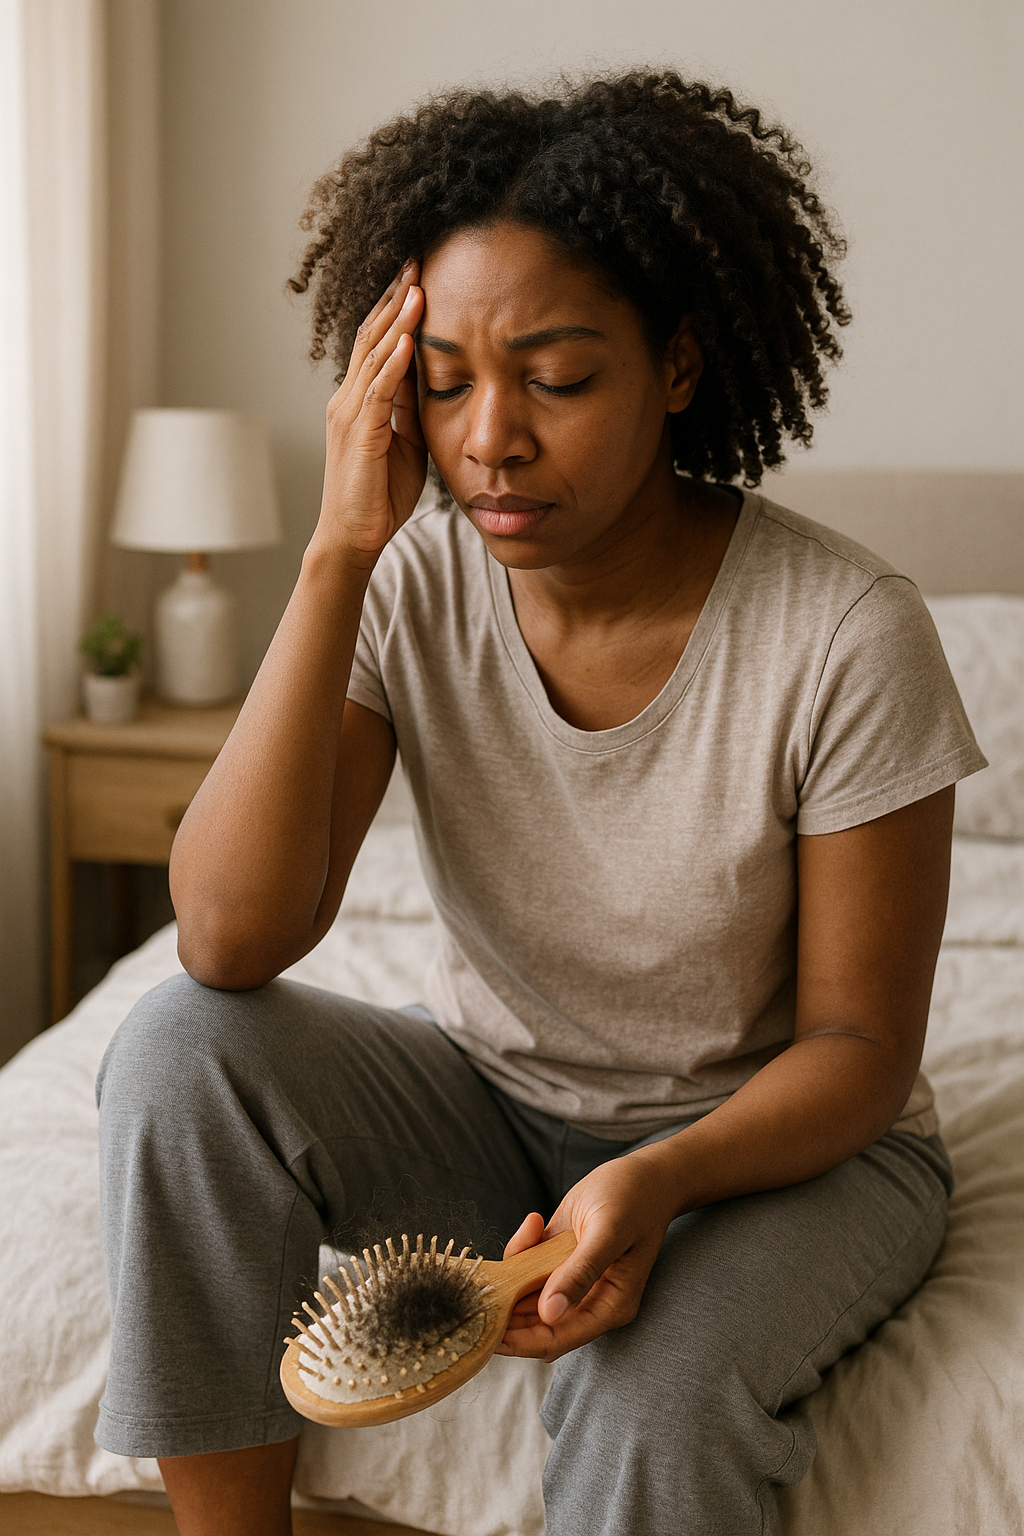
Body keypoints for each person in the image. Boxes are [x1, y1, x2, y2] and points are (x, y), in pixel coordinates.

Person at [95, 72, 984, 1536]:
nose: (491, 437)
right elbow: (229, 938)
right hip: (504, 1108)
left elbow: (860, 1050)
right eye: (442, 380)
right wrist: (335, 554)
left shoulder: (843, 631)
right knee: (181, 1050)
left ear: (680, 366)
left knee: (652, 1385)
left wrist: (660, 1177)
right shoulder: (408, 584)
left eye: (558, 379)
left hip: (779, 1153)